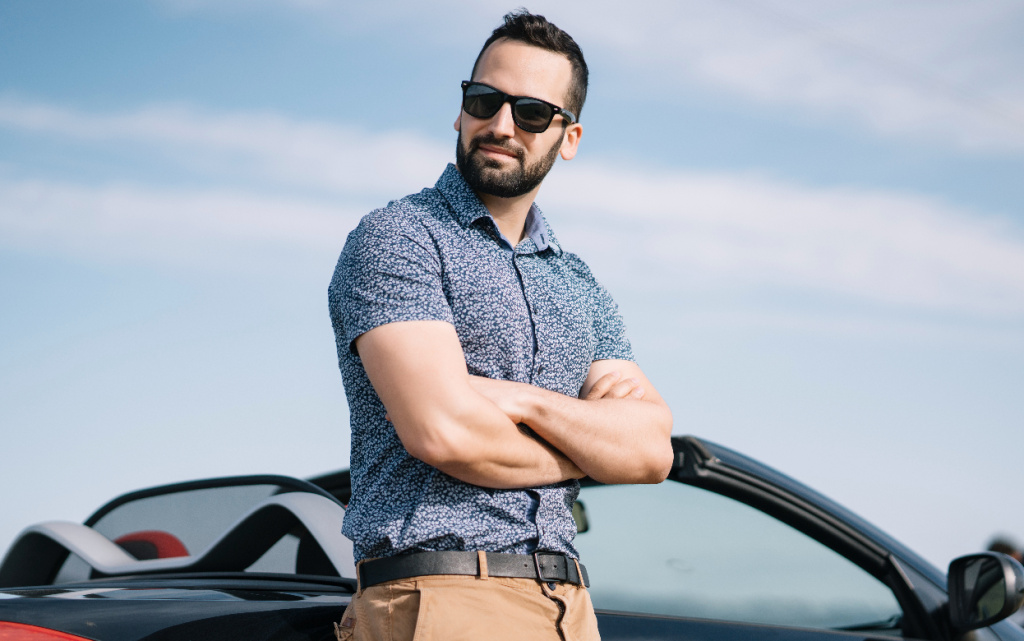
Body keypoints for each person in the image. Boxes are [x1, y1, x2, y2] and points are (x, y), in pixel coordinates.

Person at [328, 10, 673, 641]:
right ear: (461, 110)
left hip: (570, 607)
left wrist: (521, 402)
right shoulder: (400, 239)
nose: (501, 124)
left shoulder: (577, 282)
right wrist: (590, 448)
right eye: (485, 100)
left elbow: (650, 452)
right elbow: (446, 433)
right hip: (445, 594)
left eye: (532, 113)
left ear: (569, 137)